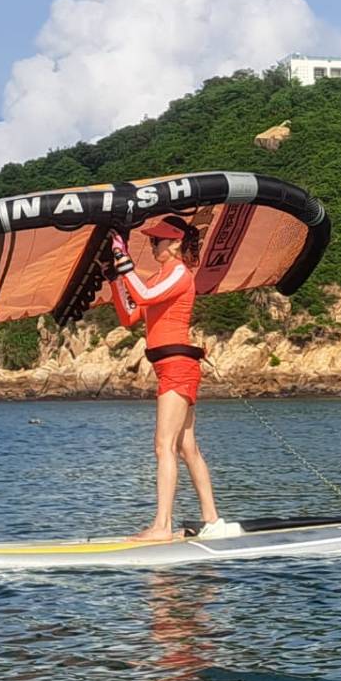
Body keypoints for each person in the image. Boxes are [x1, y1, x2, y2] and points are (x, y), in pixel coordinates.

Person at [107, 216, 233, 541]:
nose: (152, 246)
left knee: (163, 445)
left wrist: (123, 260)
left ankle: (162, 526)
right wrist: (113, 277)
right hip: (167, 367)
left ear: (176, 243)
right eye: (151, 241)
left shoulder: (179, 272)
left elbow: (144, 296)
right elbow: (130, 315)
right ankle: (212, 519)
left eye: (157, 241)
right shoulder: (157, 277)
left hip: (178, 367)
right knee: (186, 447)